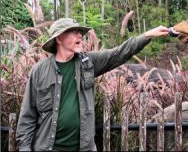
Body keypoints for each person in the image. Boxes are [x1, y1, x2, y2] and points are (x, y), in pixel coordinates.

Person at [16, 17, 170, 151]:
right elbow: (28, 115)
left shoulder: (88, 62)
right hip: (48, 148)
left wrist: (147, 34)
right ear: (59, 38)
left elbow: (119, 53)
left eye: (80, 32)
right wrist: (24, 148)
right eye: (74, 32)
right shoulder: (39, 71)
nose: (80, 35)